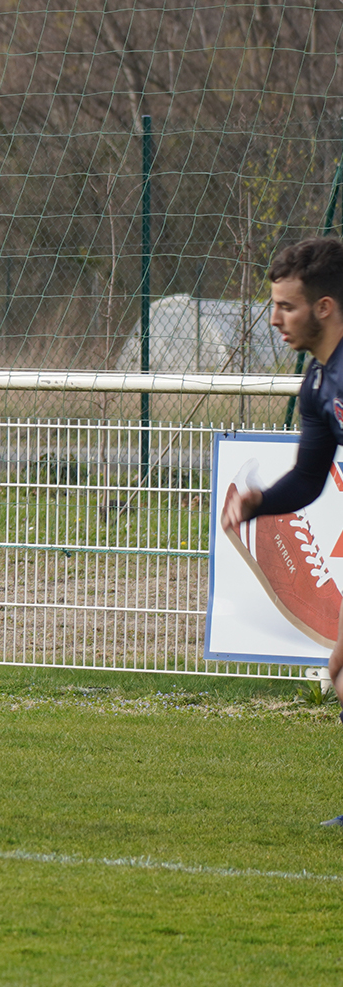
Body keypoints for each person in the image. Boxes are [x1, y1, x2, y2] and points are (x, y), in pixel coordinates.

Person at [222, 237, 343, 789]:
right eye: (273, 305)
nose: (274, 319)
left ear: (324, 307)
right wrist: (260, 503)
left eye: (286, 306)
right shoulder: (319, 382)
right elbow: (309, 477)